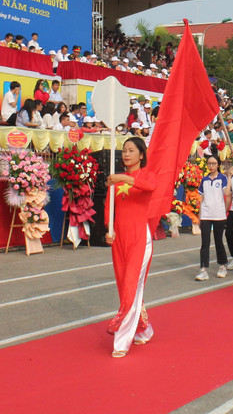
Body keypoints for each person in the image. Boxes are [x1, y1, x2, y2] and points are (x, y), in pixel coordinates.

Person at [104, 137, 157, 358]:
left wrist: (124, 177)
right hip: (119, 238)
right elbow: (109, 206)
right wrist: (109, 230)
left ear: (141, 155)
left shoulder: (145, 175)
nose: (126, 154)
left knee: (130, 286)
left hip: (139, 238)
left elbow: (150, 187)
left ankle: (121, 341)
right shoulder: (115, 181)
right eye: (124, 150)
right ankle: (144, 329)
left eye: (131, 150)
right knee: (125, 286)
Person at [195, 155, 231, 281]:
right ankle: (203, 269)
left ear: (218, 165)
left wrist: (229, 177)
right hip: (206, 214)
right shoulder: (204, 180)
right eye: (209, 163)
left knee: (218, 241)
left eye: (214, 163)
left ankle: (222, 266)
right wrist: (199, 216)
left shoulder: (222, 178)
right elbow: (201, 198)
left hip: (219, 215)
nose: (211, 166)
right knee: (205, 243)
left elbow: (226, 193)